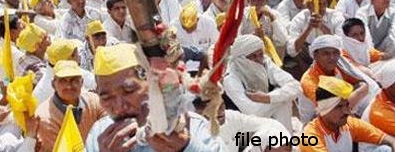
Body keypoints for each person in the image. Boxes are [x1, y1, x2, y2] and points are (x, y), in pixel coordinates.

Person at [86, 43, 225, 151]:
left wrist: (186, 148)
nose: (119, 106)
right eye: (106, 98)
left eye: (128, 91)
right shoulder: (100, 134)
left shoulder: (191, 127)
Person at [301, 76, 395, 152]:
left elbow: (394, 142)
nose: (347, 111)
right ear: (324, 109)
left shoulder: (348, 124)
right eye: (339, 107)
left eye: (346, 105)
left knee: (385, 150)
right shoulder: (309, 136)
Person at [223, 34, 301, 131]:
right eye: (253, 56)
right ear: (241, 58)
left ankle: (284, 143)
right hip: (244, 130)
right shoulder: (230, 78)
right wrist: (281, 96)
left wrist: (268, 98)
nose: (258, 59)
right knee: (284, 100)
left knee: (283, 103)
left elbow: (296, 86)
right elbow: (252, 112)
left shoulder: (265, 62)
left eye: (260, 54)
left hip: (268, 116)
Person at [35, 60, 105, 152]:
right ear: (53, 85)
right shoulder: (45, 117)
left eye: (74, 80)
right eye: (63, 81)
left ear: (82, 82)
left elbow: (108, 128)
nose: (69, 86)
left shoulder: (94, 101)